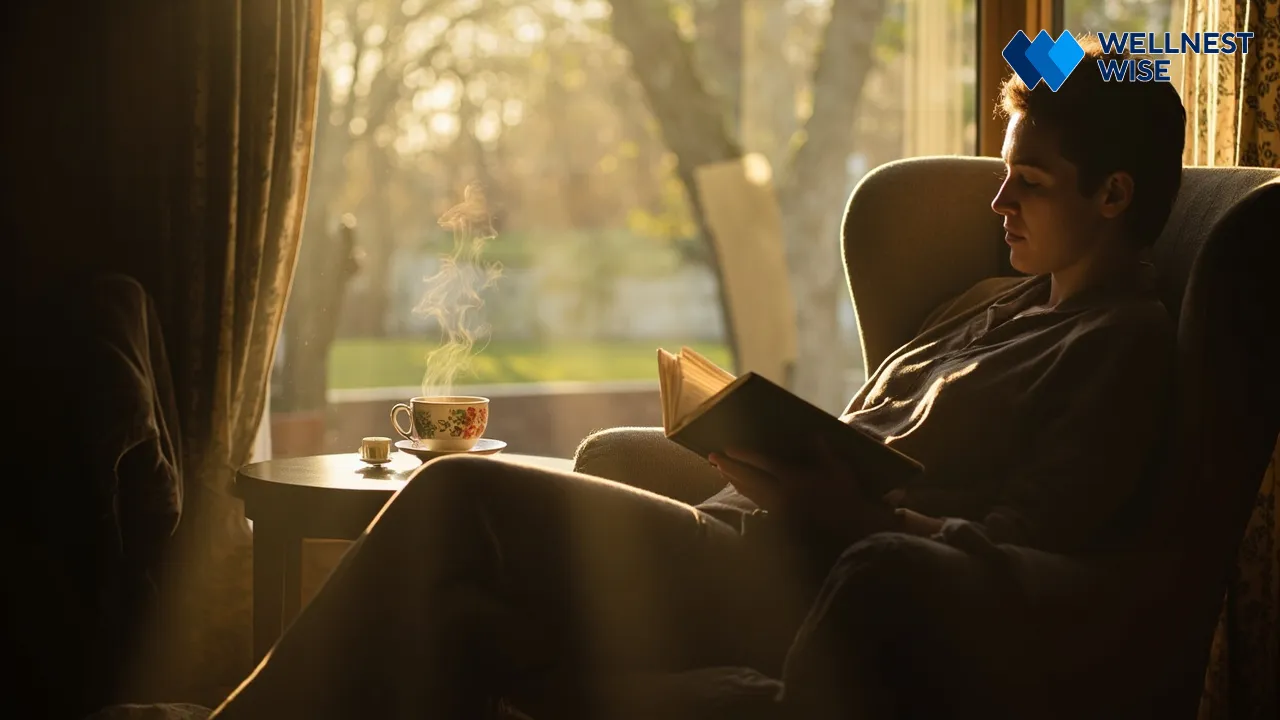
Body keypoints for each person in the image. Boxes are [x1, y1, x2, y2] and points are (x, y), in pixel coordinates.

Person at [209, 36, 1185, 720]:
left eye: (1029, 182)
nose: (996, 198)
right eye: (1004, 172)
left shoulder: (1119, 347)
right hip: (745, 531)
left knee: (459, 492)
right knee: (457, 605)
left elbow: (1023, 556)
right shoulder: (986, 298)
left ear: (1112, 194)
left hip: (806, 581)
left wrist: (846, 514)